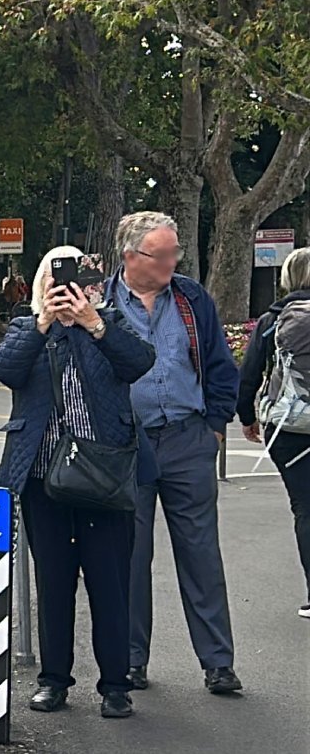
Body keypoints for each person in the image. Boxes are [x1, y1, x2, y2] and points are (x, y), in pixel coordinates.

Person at [0, 245, 156, 719]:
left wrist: (93, 324)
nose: (63, 290)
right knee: (54, 584)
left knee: (110, 584)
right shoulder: (27, 329)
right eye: (52, 280)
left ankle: (116, 686)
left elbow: (139, 363)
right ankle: (53, 680)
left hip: (104, 477)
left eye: (71, 279)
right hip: (44, 479)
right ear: (42, 285)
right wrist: (43, 322)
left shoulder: (108, 322)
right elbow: (3, 368)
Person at [105, 212, 243, 695]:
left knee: (201, 554)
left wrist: (215, 427)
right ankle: (130, 661)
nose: (170, 262)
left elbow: (222, 364)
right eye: (161, 254)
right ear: (130, 256)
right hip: (126, 442)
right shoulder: (101, 302)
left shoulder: (190, 298)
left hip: (188, 437)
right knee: (129, 557)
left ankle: (218, 663)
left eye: (174, 253)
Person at [235, 246, 310, 621]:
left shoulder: (273, 319)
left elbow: (248, 375)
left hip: (289, 427)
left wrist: (247, 417)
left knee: (305, 507)